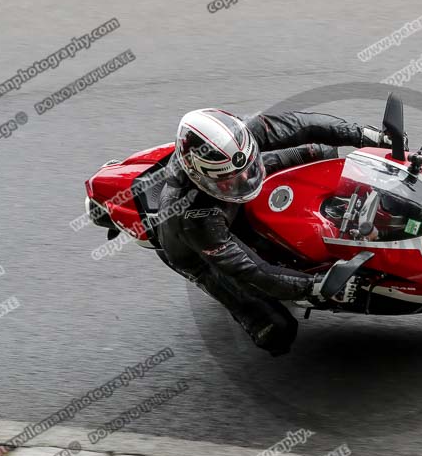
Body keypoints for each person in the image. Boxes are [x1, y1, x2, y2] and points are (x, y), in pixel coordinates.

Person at [156, 108, 391, 356]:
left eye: (246, 167)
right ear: (200, 177)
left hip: (229, 197)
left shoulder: (240, 137)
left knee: (322, 152)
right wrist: (313, 286)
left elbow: (303, 124)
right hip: (199, 253)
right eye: (230, 178)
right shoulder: (193, 216)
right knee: (276, 331)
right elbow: (253, 271)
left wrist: (363, 135)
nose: (245, 179)